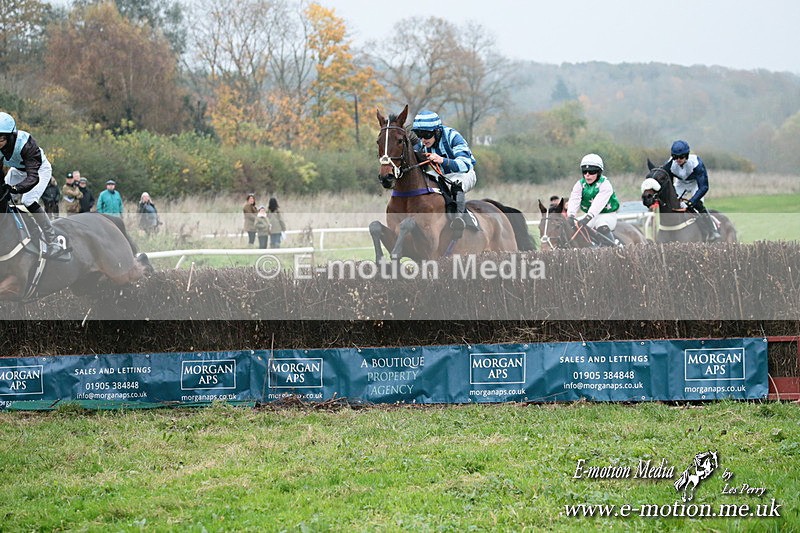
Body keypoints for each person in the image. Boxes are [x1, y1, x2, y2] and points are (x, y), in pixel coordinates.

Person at [0, 112, 66, 258]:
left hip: (38, 170)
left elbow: (32, 177)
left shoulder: (26, 144)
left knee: (28, 201)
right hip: (17, 170)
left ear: (10, 137)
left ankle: (52, 240)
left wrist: (15, 189)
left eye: (1, 138)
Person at [411, 109, 477, 235]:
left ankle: (459, 220)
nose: (423, 139)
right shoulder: (422, 142)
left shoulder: (453, 137)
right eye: (419, 135)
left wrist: (442, 160)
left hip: (464, 174)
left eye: (426, 135)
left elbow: (465, 164)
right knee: (422, 182)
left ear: (437, 131)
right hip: (441, 175)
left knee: (455, 184)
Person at [660, 140, 721, 242]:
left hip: (695, 183)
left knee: (698, 204)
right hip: (681, 183)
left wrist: (690, 202)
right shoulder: (669, 164)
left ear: (687, 155)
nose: (678, 159)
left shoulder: (696, 163)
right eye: (675, 157)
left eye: (681, 157)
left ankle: (712, 230)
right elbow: (668, 183)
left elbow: (704, 187)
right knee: (671, 203)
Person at [566, 153, 620, 247]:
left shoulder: (605, 184)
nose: (587, 175)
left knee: (601, 224)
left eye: (591, 171)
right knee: (574, 226)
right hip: (591, 215)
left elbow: (598, 203)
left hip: (607, 214)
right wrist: (570, 215)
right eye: (585, 171)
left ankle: (613, 250)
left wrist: (588, 217)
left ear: (599, 172)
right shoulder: (579, 184)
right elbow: (575, 199)